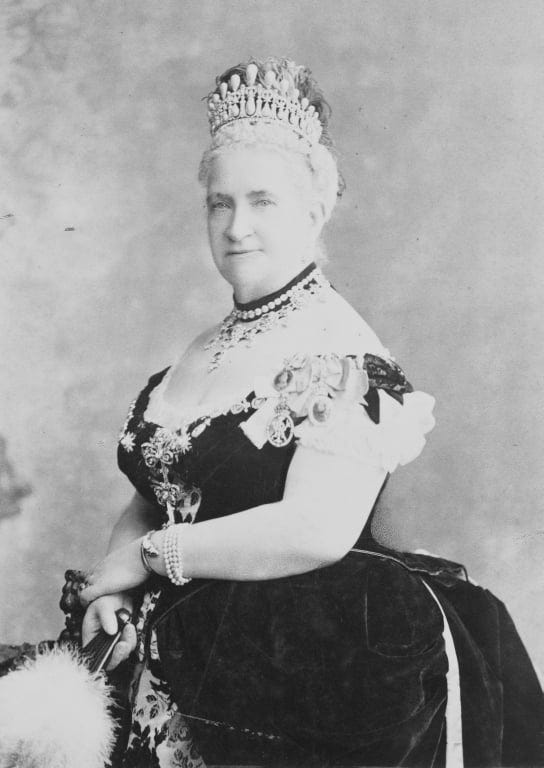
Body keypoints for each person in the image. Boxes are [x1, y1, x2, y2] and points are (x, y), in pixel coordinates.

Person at [79, 57, 544, 767]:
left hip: (299, 653)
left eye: (262, 201)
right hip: (169, 640)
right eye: (220, 202)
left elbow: (315, 528)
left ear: (315, 208)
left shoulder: (339, 350)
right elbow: (157, 486)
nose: (237, 227)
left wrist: (144, 559)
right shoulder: (200, 350)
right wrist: (109, 584)